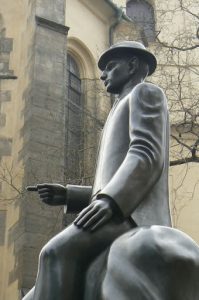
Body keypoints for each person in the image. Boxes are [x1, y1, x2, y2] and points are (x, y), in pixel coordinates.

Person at [24, 41, 171, 300]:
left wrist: (110, 201)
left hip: (131, 215)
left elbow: (146, 154)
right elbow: (110, 181)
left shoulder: (145, 93)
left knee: (54, 253)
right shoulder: (117, 109)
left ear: (133, 65)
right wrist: (69, 195)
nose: (102, 74)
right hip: (115, 208)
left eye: (111, 67)